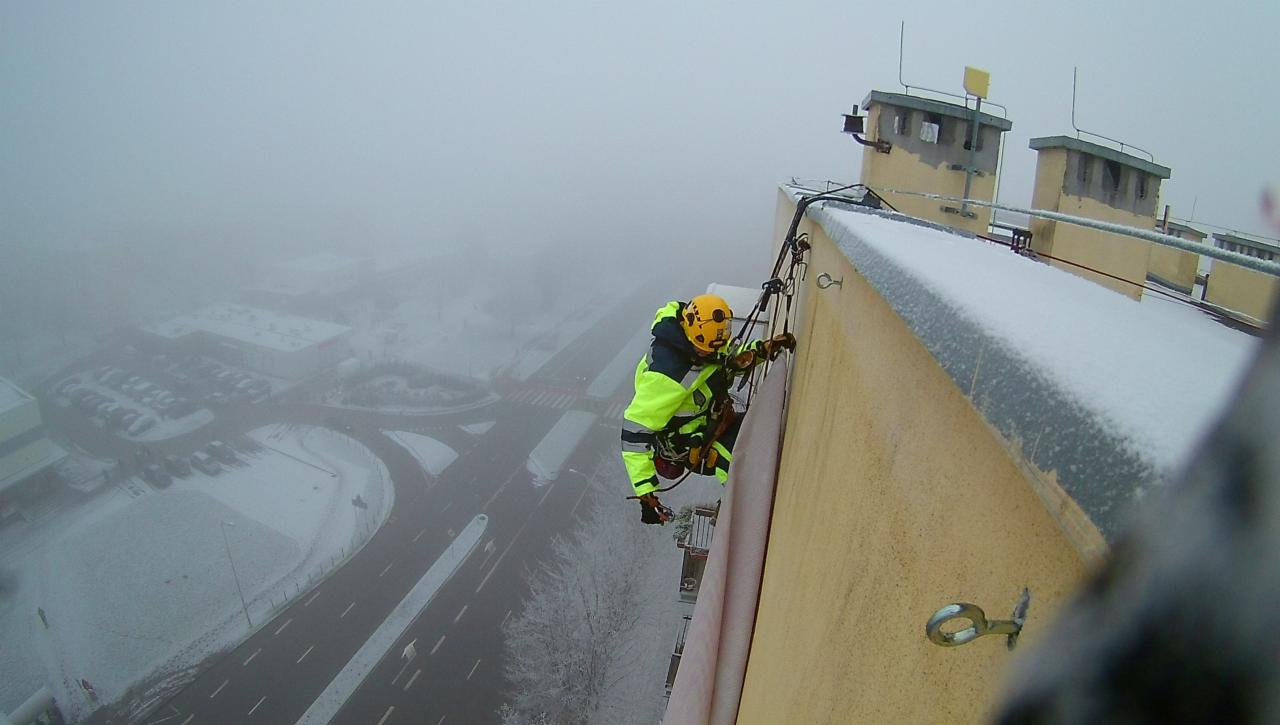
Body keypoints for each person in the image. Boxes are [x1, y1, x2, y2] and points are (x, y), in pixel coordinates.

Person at [620, 294, 795, 524]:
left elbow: (724, 362)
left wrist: (761, 350)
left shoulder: (700, 339)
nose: (710, 353)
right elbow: (634, 431)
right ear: (692, 339)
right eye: (705, 350)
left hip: (712, 421)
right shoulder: (667, 375)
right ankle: (744, 517)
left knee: (754, 436)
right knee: (738, 463)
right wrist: (646, 493)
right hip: (689, 442)